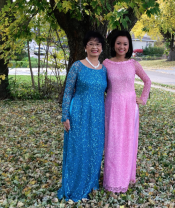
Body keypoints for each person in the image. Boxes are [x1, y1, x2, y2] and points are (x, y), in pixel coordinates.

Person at [58, 31, 107, 202]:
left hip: (98, 117)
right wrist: (65, 116)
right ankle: (74, 184)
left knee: (94, 150)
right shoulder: (77, 66)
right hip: (78, 113)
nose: (95, 47)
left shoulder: (104, 69)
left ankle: (91, 184)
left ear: (102, 48)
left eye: (98, 44)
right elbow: (68, 92)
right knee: (78, 149)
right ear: (85, 47)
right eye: (91, 44)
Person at [103, 30, 151, 193]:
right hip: (112, 105)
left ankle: (125, 177)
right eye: (118, 43)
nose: (121, 46)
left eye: (125, 43)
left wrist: (142, 99)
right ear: (113, 45)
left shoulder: (133, 64)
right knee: (113, 142)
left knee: (127, 142)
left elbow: (147, 80)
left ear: (129, 45)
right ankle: (112, 179)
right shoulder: (107, 63)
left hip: (130, 107)